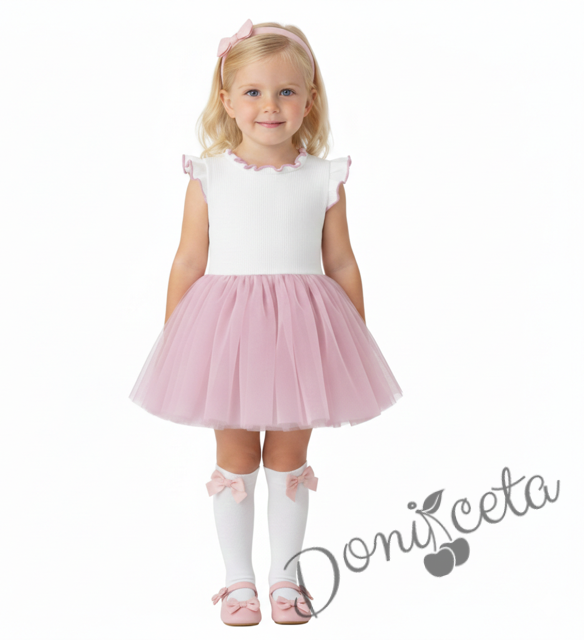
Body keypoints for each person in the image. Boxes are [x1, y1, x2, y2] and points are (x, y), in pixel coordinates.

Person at [128, 18, 403, 626]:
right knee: (234, 455)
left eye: (285, 91)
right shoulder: (209, 176)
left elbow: (341, 262)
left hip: (302, 339)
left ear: (309, 100)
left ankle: (285, 575)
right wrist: (177, 340)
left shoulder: (324, 177)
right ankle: (237, 581)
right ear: (227, 100)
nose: (270, 106)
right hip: (226, 338)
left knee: (289, 455)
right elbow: (188, 261)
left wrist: (353, 340)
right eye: (253, 92)